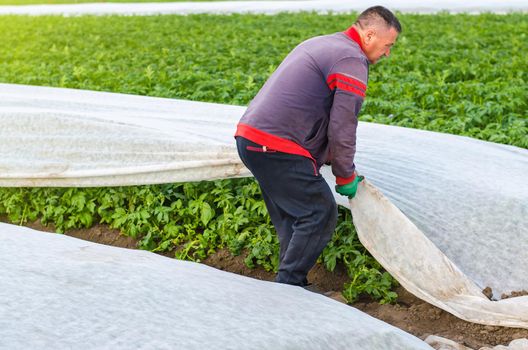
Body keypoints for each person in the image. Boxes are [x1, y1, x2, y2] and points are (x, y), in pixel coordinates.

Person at [235, 6, 401, 288]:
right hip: (277, 146)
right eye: (388, 46)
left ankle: (287, 289)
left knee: (293, 217)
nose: (387, 53)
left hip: (251, 139)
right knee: (319, 212)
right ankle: (289, 285)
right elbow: (343, 126)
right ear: (370, 35)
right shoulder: (351, 59)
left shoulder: (323, 42)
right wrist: (345, 174)